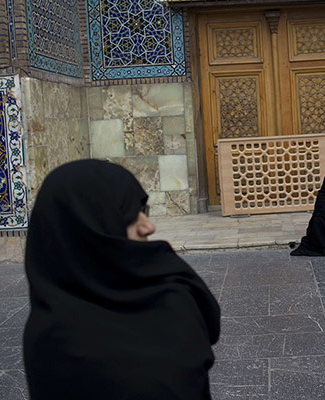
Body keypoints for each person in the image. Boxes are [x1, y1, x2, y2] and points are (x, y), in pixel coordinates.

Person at [23, 160, 220, 399]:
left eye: (142, 210)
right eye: (127, 215)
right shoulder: (56, 342)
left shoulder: (168, 291)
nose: (148, 226)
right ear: (87, 229)